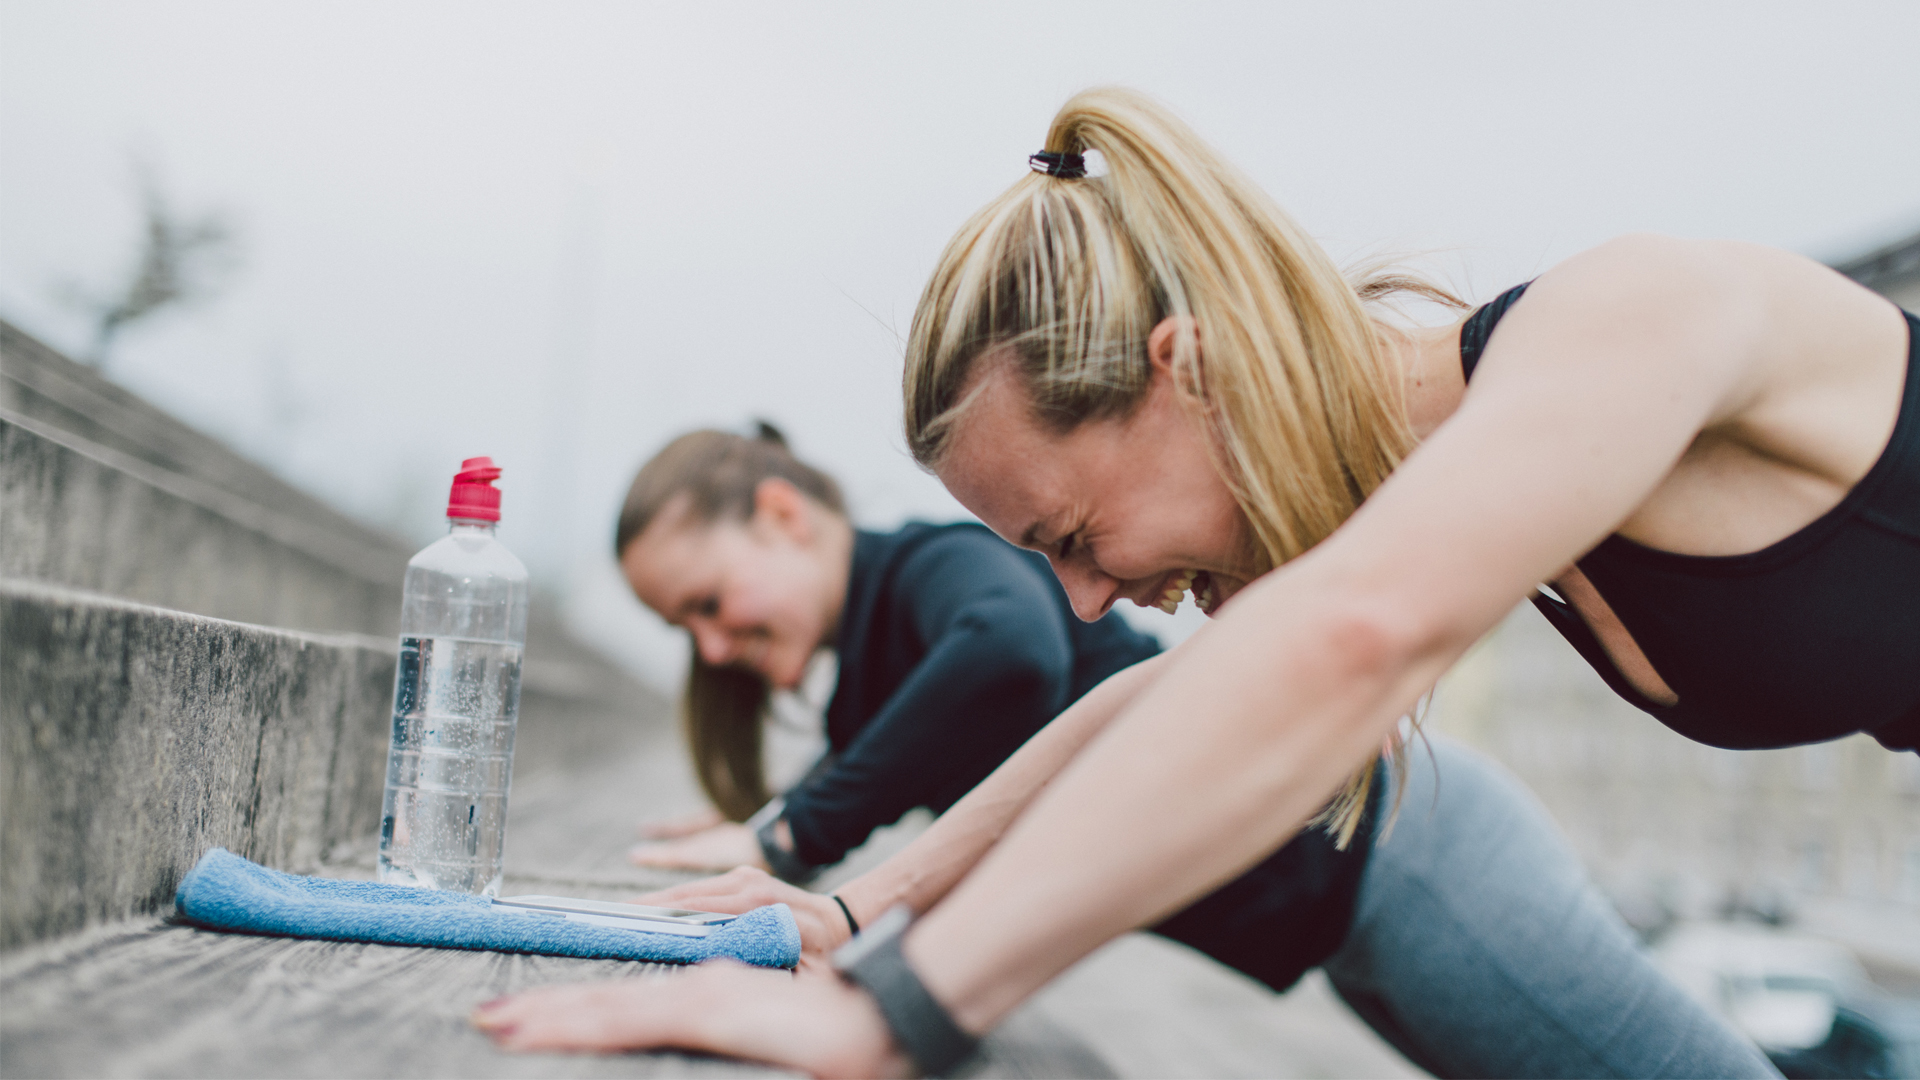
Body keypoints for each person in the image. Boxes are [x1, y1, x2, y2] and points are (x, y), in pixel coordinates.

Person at [474, 86, 1917, 1076]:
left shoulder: (1632, 317)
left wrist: (895, 1017)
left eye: (1070, 538)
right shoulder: (1439, 483)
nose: (1085, 603)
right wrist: (854, 912)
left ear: (1183, 371)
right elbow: (1160, 707)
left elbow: (1352, 639)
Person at [609, 425, 1425, 1001]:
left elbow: (1009, 654)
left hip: (1395, 853)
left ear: (785, 517)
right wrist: (764, 820)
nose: (711, 649)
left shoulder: (934, 563)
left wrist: (787, 834)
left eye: (708, 603)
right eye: (688, 631)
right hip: (1334, 922)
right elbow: (876, 757)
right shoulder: (873, 675)